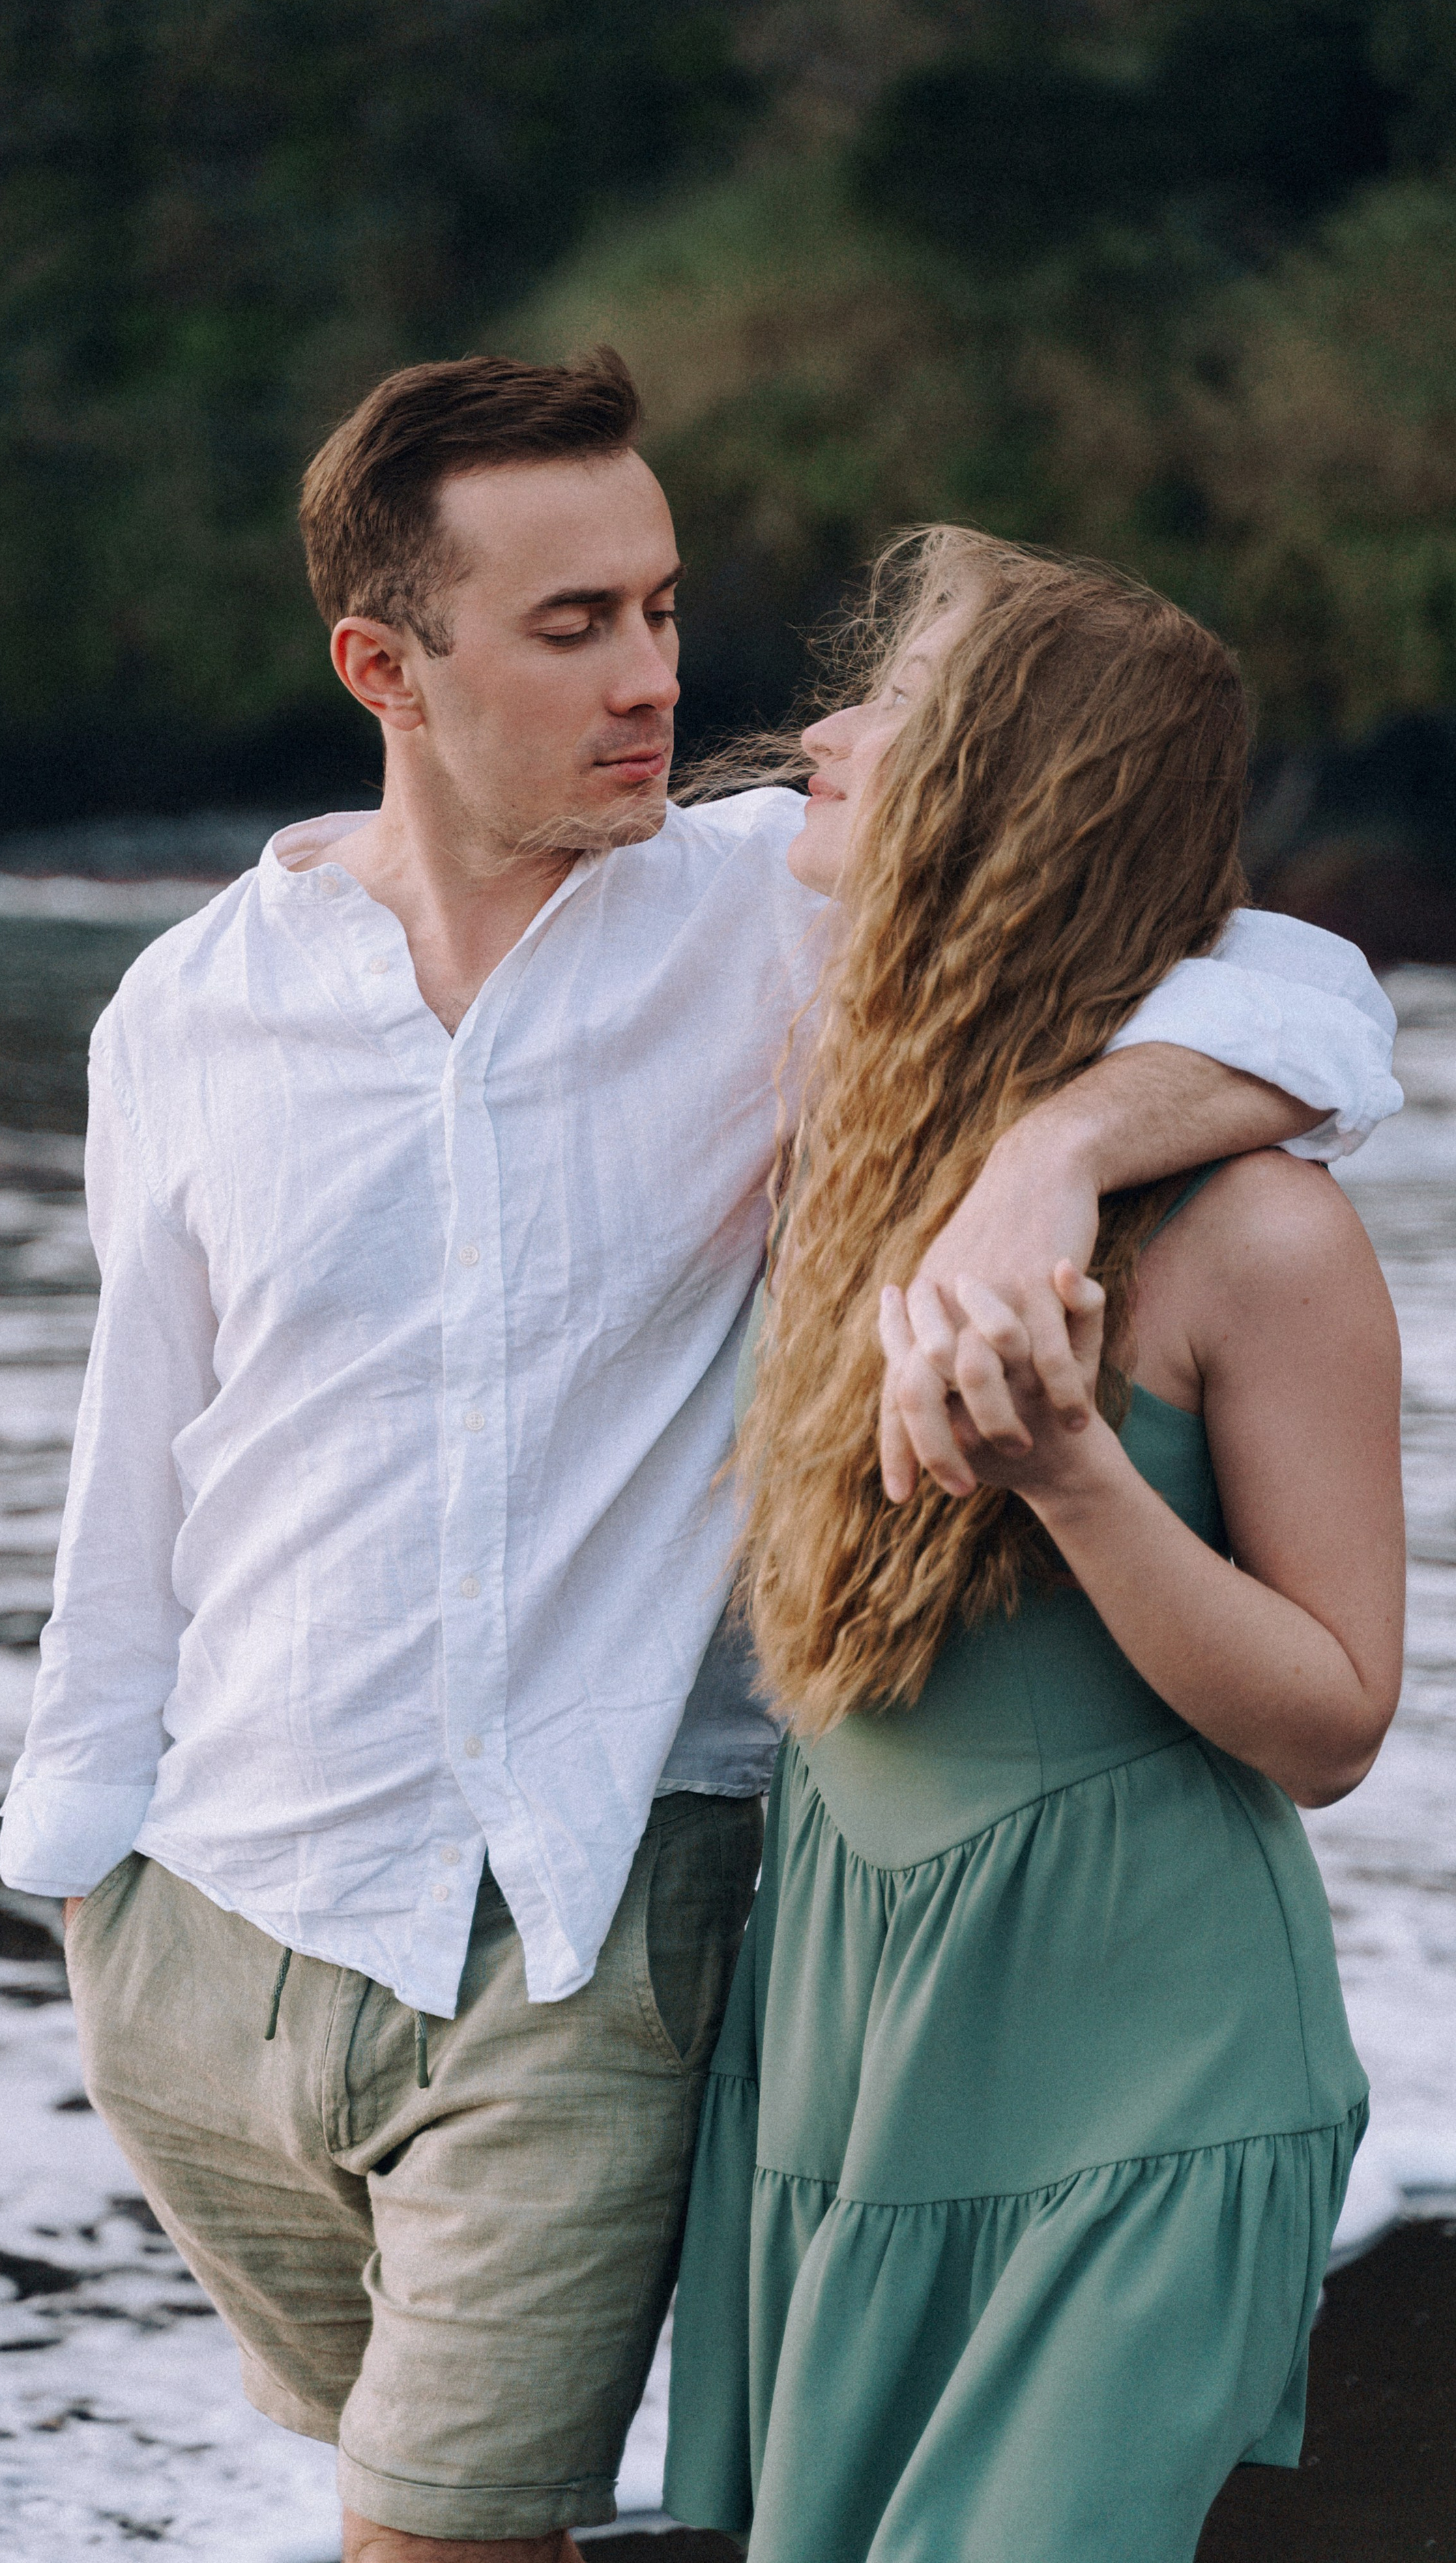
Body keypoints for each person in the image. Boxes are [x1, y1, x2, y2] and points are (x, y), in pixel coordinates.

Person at [0, 353, 1401, 2563]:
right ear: (387, 664)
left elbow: (1310, 996)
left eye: (662, 608)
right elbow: (144, 1436)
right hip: (223, 1915)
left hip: (589, 1921)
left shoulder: (776, 912)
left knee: (442, 2536)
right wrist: (83, 1858)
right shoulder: (188, 1005)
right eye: (575, 628)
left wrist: (1052, 1150)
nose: (660, 680)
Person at [663, 527, 1405, 2563]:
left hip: (1144, 2072)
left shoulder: (1258, 1233)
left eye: (891, 705)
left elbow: (1335, 1726)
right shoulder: (849, 1118)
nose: (823, 725)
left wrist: (1075, 1472)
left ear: (1015, 788)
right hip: (842, 2047)